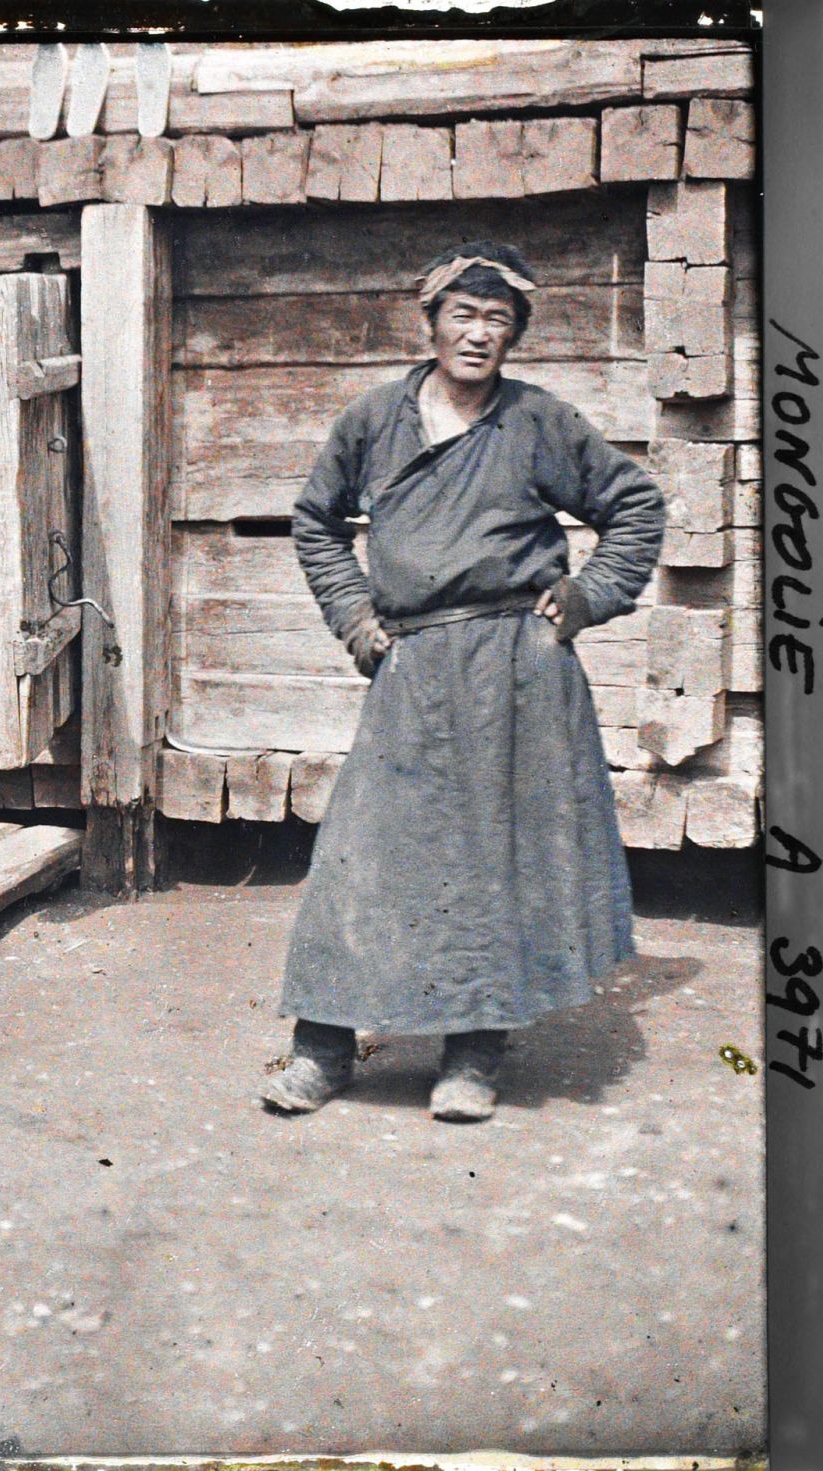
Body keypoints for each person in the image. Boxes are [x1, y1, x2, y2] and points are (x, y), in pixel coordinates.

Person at [261, 241, 666, 1123]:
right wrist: (355, 620)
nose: (478, 335)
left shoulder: (538, 422)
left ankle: (474, 1057)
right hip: (412, 661)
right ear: (432, 321)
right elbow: (315, 522)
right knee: (361, 856)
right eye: (464, 315)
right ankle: (322, 1050)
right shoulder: (375, 419)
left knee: (496, 863)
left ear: (515, 335)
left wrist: (590, 595)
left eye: (498, 320)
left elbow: (634, 506)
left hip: (515, 668)